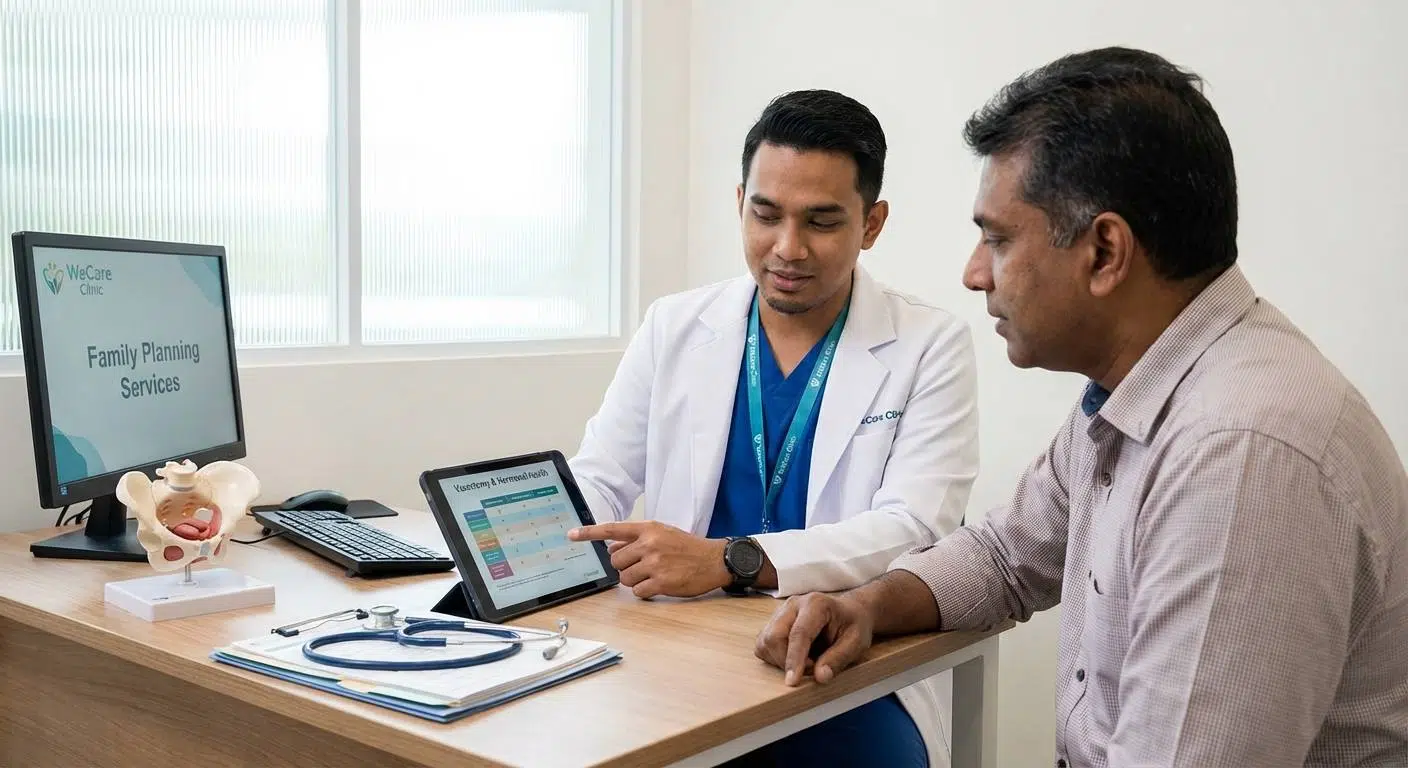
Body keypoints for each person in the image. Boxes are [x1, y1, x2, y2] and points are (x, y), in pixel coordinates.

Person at [753, 47, 1408, 767]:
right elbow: (1005, 555)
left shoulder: (1242, 453)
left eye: (997, 239)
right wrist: (868, 606)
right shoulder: (1143, 391)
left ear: (1104, 252)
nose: (974, 274)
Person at [565, 89, 980, 766]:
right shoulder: (674, 326)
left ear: (871, 224)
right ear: (740, 204)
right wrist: (522, 558)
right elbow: (599, 479)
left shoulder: (929, 344)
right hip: (678, 650)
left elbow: (916, 528)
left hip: (833, 665)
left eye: (821, 221)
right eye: (766, 215)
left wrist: (728, 560)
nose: (788, 249)